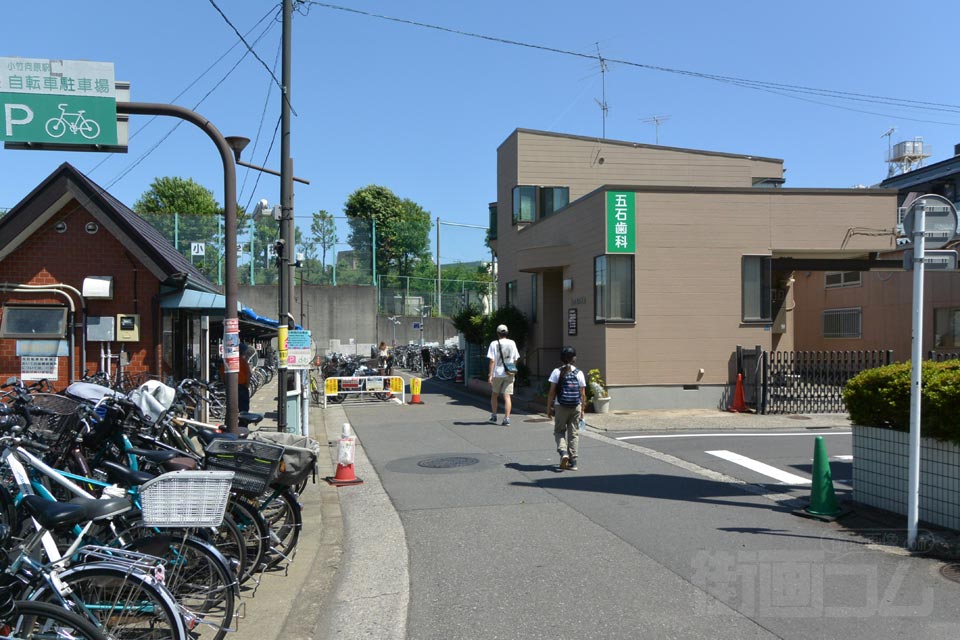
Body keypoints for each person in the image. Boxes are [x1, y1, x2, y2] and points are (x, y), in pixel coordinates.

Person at [546, 346, 587, 470]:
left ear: (561, 358)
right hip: (576, 406)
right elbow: (583, 393)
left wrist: (548, 408)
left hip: (561, 406)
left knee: (559, 431)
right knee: (573, 434)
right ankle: (573, 462)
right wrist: (583, 410)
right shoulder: (579, 373)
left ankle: (563, 452)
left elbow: (552, 392)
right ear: (574, 358)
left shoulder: (556, 372)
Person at [487, 324, 520, 426]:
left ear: (498, 333)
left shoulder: (493, 344)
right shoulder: (512, 343)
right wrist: (512, 369)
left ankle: (494, 415)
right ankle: (507, 418)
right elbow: (516, 358)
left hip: (497, 373)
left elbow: (492, 360)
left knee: (494, 394)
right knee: (507, 396)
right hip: (509, 373)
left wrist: (490, 374)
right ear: (507, 332)